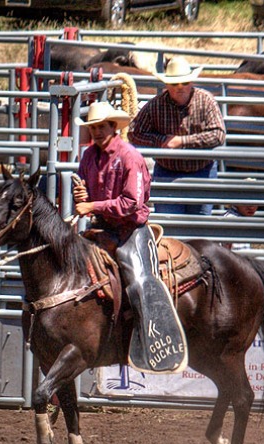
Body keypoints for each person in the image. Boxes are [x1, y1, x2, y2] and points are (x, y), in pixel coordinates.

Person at [72, 101, 186, 374]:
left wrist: (92, 206)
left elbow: (132, 203)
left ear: (114, 127)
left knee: (139, 283)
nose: (97, 132)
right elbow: (84, 189)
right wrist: (83, 196)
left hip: (130, 231)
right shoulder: (89, 157)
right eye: (94, 128)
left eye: (102, 127)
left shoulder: (130, 157)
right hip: (102, 228)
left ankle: (150, 337)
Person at [129, 56, 226, 216]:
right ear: (167, 85)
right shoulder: (156, 105)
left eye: (185, 83)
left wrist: (181, 141)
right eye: (175, 84)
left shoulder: (206, 100)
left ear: (191, 83)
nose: (180, 88)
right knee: (171, 227)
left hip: (201, 171)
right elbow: (134, 133)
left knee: (199, 229)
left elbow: (218, 134)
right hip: (168, 172)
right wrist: (161, 141)